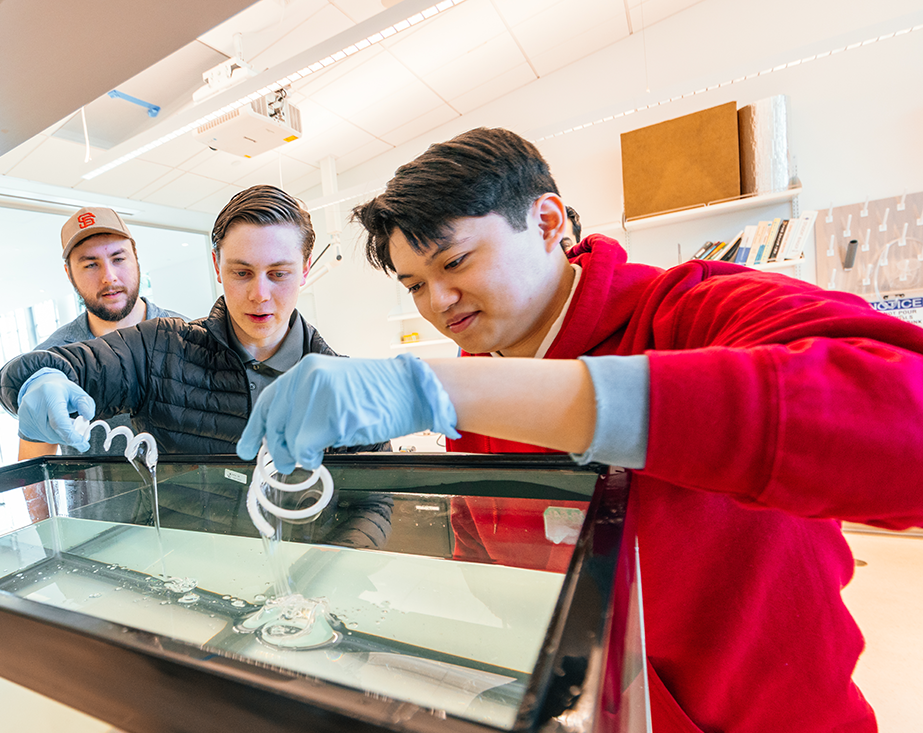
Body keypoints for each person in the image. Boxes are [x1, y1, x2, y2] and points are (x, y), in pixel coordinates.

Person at [236, 128, 923, 732]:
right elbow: (492, 567)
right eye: (414, 285)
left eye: (452, 264)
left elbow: (902, 420)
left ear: (545, 222)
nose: (436, 303)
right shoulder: (475, 405)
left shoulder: (688, 310)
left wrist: (448, 388)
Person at [0, 185, 390, 548]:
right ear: (217, 268)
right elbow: (45, 368)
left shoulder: (350, 390)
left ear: (305, 269)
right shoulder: (160, 348)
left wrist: (331, 573)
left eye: (279, 273)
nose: (259, 294)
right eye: (241, 272)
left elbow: (378, 501)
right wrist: (37, 379)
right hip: (181, 585)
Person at [17, 206, 186, 460]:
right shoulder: (53, 363)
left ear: (135, 256)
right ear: (69, 273)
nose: (109, 277)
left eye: (118, 259)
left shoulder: (187, 336)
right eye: (90, 265)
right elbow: (33, 466)